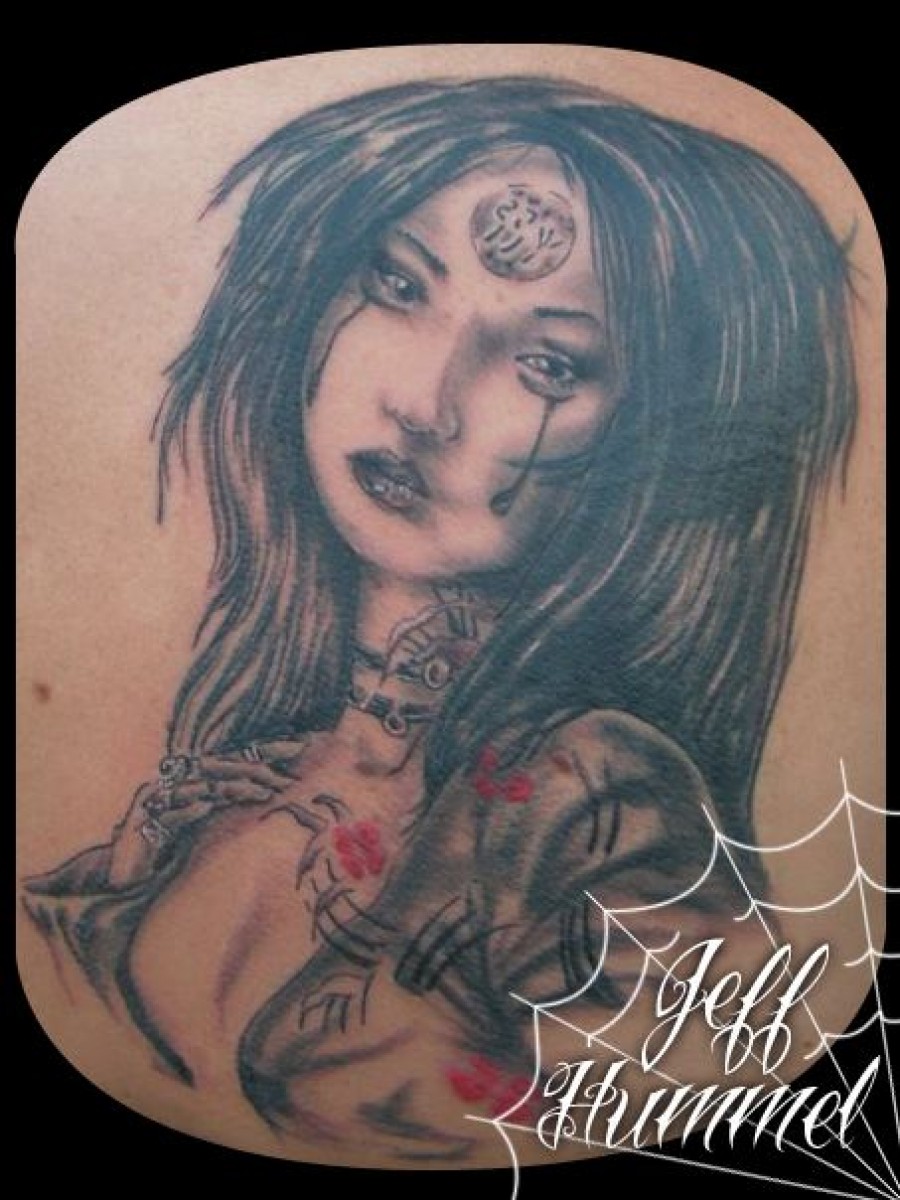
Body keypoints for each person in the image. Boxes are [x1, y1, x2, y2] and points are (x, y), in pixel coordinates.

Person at [21, 75, 858, 1162]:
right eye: (399, 283)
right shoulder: (236, 772)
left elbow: (705, 1107)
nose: (424, 402)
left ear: (670, 440)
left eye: (547, 363)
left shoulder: (598, 807)